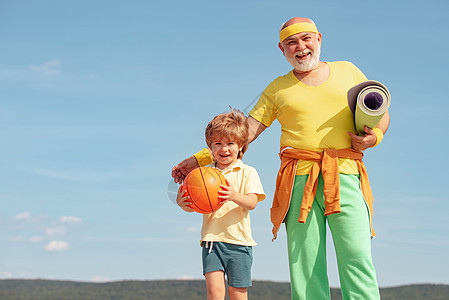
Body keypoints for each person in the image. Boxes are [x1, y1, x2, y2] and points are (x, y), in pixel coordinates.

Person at [173, 17, 390, 300]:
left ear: (319, 39)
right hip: (299, 180)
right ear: (282, 49)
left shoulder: (347, 71)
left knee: (357, 255)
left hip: (346, 174)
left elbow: (379, 112)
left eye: (306, 39)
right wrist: (199, 159)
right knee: (305, 263)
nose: (300, 47)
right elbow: (244, 133)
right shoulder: (277, 88)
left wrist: (375, 137)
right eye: (291, 42)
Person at [176, 109, 266, 300]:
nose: (224, 149)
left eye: (230, 143)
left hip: (240, 243)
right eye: (218, 144)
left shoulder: (247, 172)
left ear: (241, 146)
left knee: (237, 294)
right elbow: (190, 204)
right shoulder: (201, 174)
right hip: (212, 241)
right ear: (210, 147)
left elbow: (252, 202)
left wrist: (233, 195)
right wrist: (181, 202)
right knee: (215, 292)